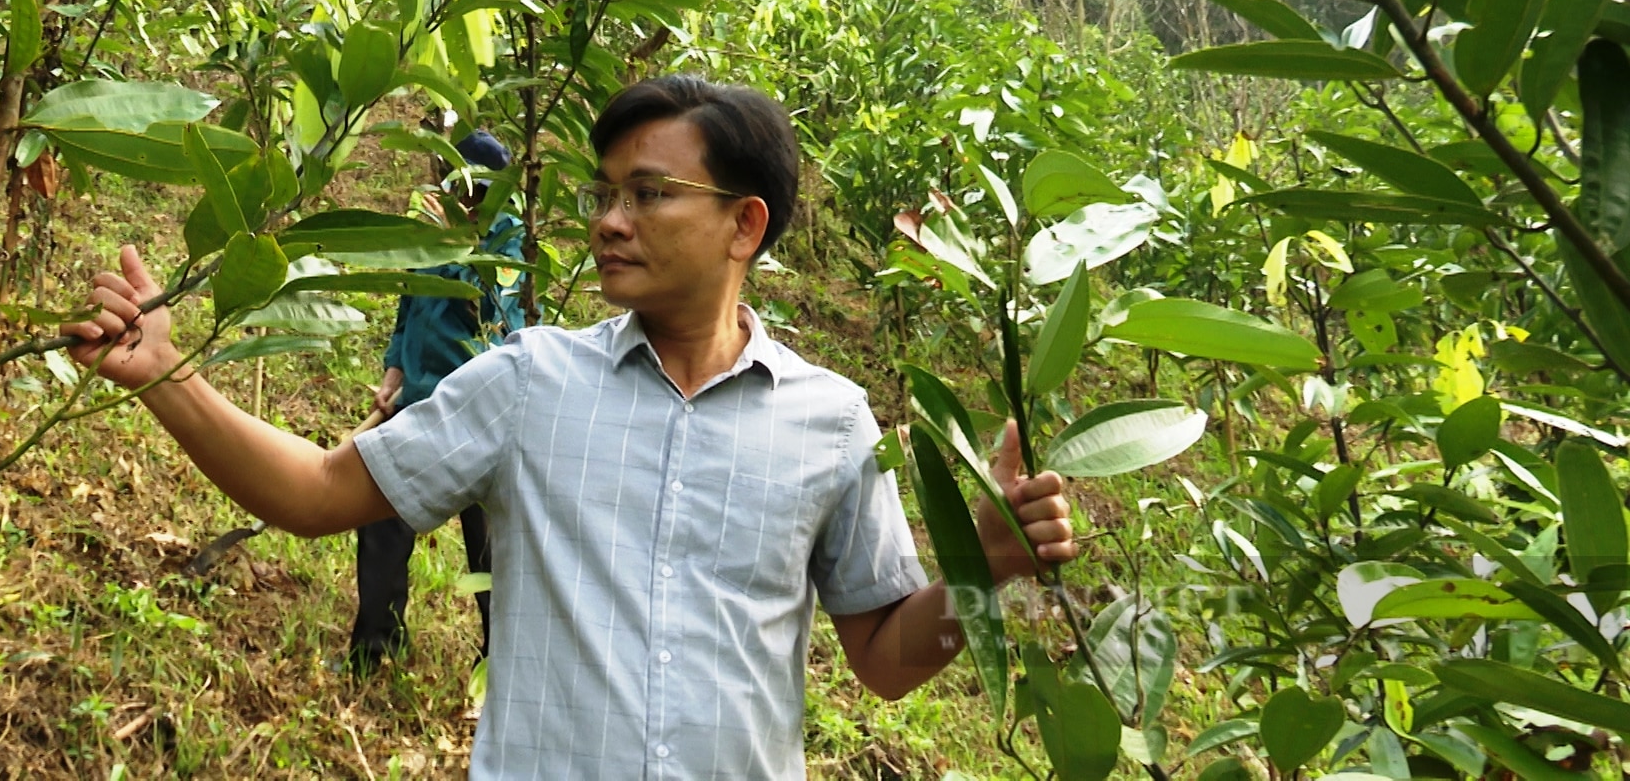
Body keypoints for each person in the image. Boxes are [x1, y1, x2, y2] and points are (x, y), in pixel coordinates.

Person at [64, 74, 1077, 779]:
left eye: (650, 194)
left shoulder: (831, 424)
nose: (608, 220)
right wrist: (167, 375)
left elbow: (886, 661)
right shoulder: (529, 382)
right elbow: (319, 493)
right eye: (604, 194)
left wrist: (985, 571)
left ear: (745, 225)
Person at [351, 129, 527, 674]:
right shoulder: (430, 231)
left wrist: (455, 245)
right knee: (381, 521)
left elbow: (497, 312)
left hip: (480, 416)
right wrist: (394, 366)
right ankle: (375, 651)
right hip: (417, 406)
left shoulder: (510, 242)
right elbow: (412, 303)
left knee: (491, 548)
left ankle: (504, 666)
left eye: (463, 184)